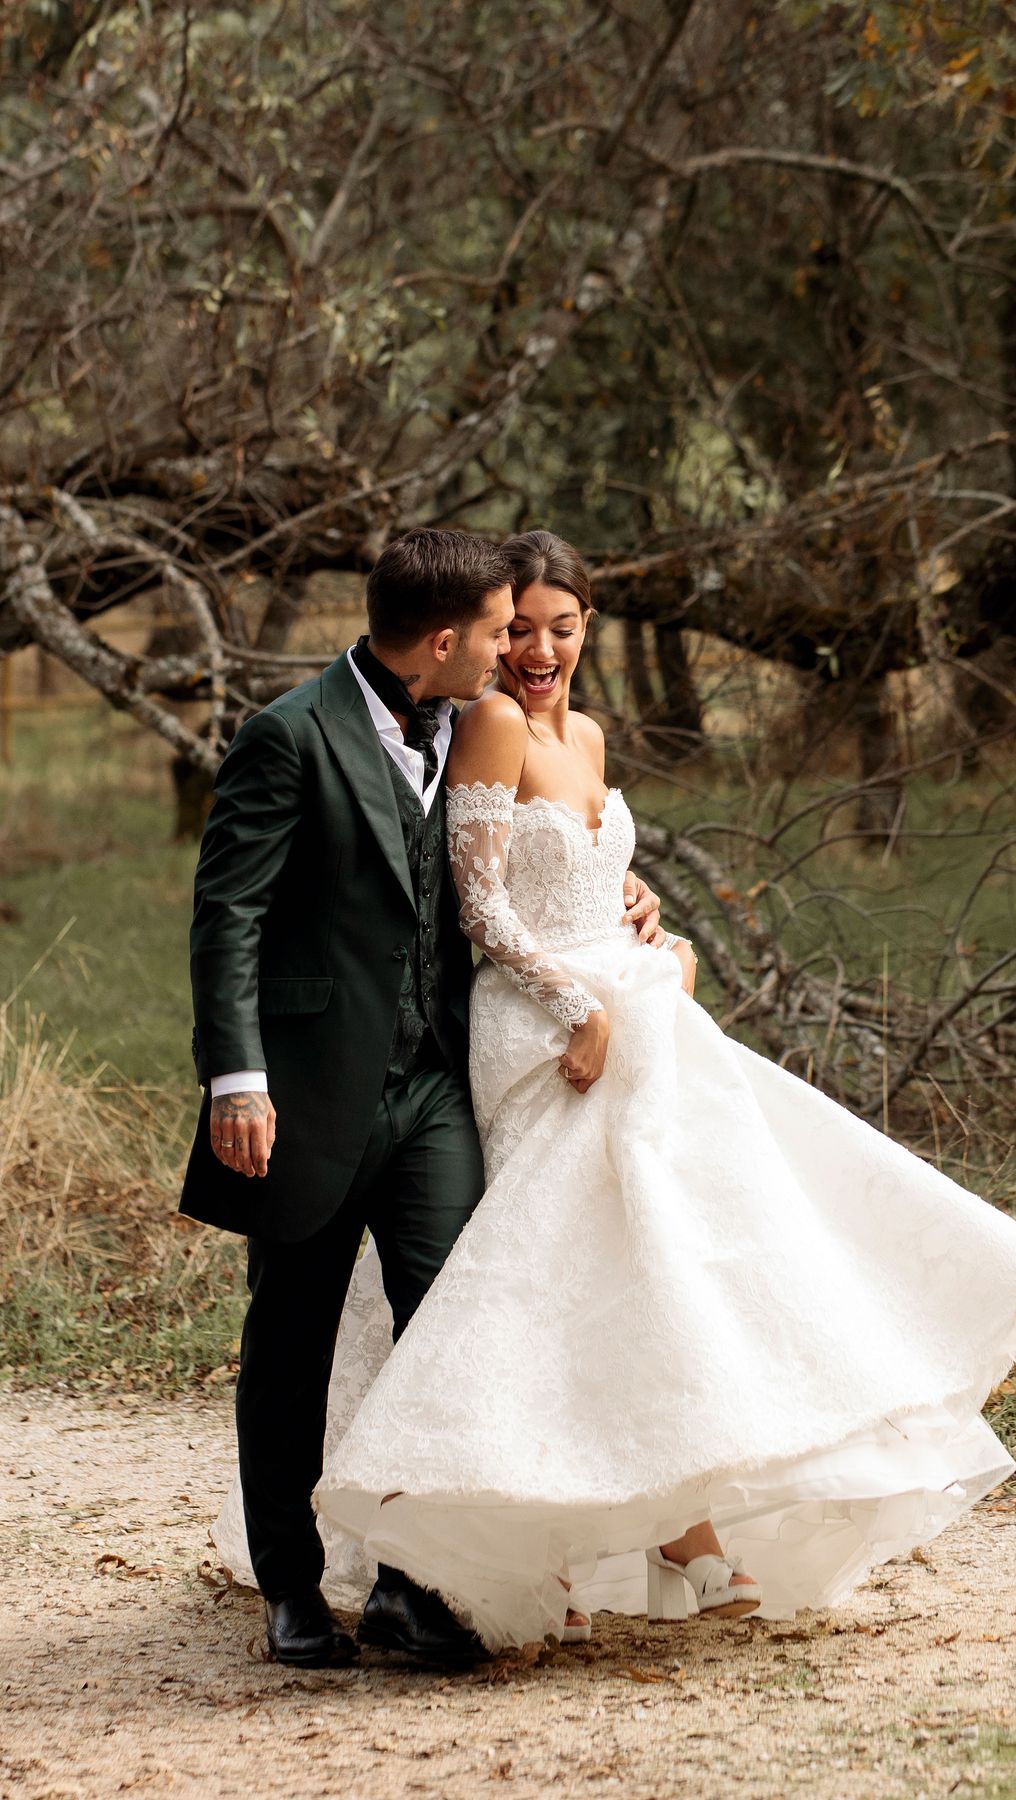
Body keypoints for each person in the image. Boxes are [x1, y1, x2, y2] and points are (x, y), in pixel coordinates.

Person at [304, 528, 1016, 1652]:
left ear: (587, 632)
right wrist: (578, 1005)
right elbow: (483, 905)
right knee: (558, 1275)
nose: (537, 650)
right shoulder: (490, 723)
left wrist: (649, 910)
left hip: (629, 1004)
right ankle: (577, 1537)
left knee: (669, 1255)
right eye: (517, 629)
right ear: (487, 632)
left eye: (561, 629)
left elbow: (578, 855)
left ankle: (683, 1518)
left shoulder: (591, 730)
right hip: (541, 1026)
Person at [180, 523, 666, 1667]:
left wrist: (618, 890)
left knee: (450, 1325)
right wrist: (237, 1078)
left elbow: (499, 865)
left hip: (439, 1082)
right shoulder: (286, 737)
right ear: (444, 639)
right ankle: (292, 1589)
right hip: (305, 1093)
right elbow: (228, 916)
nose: (516, 650)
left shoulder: (474, 725)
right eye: (500, 631)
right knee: (291, 1336)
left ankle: (411, 1583)